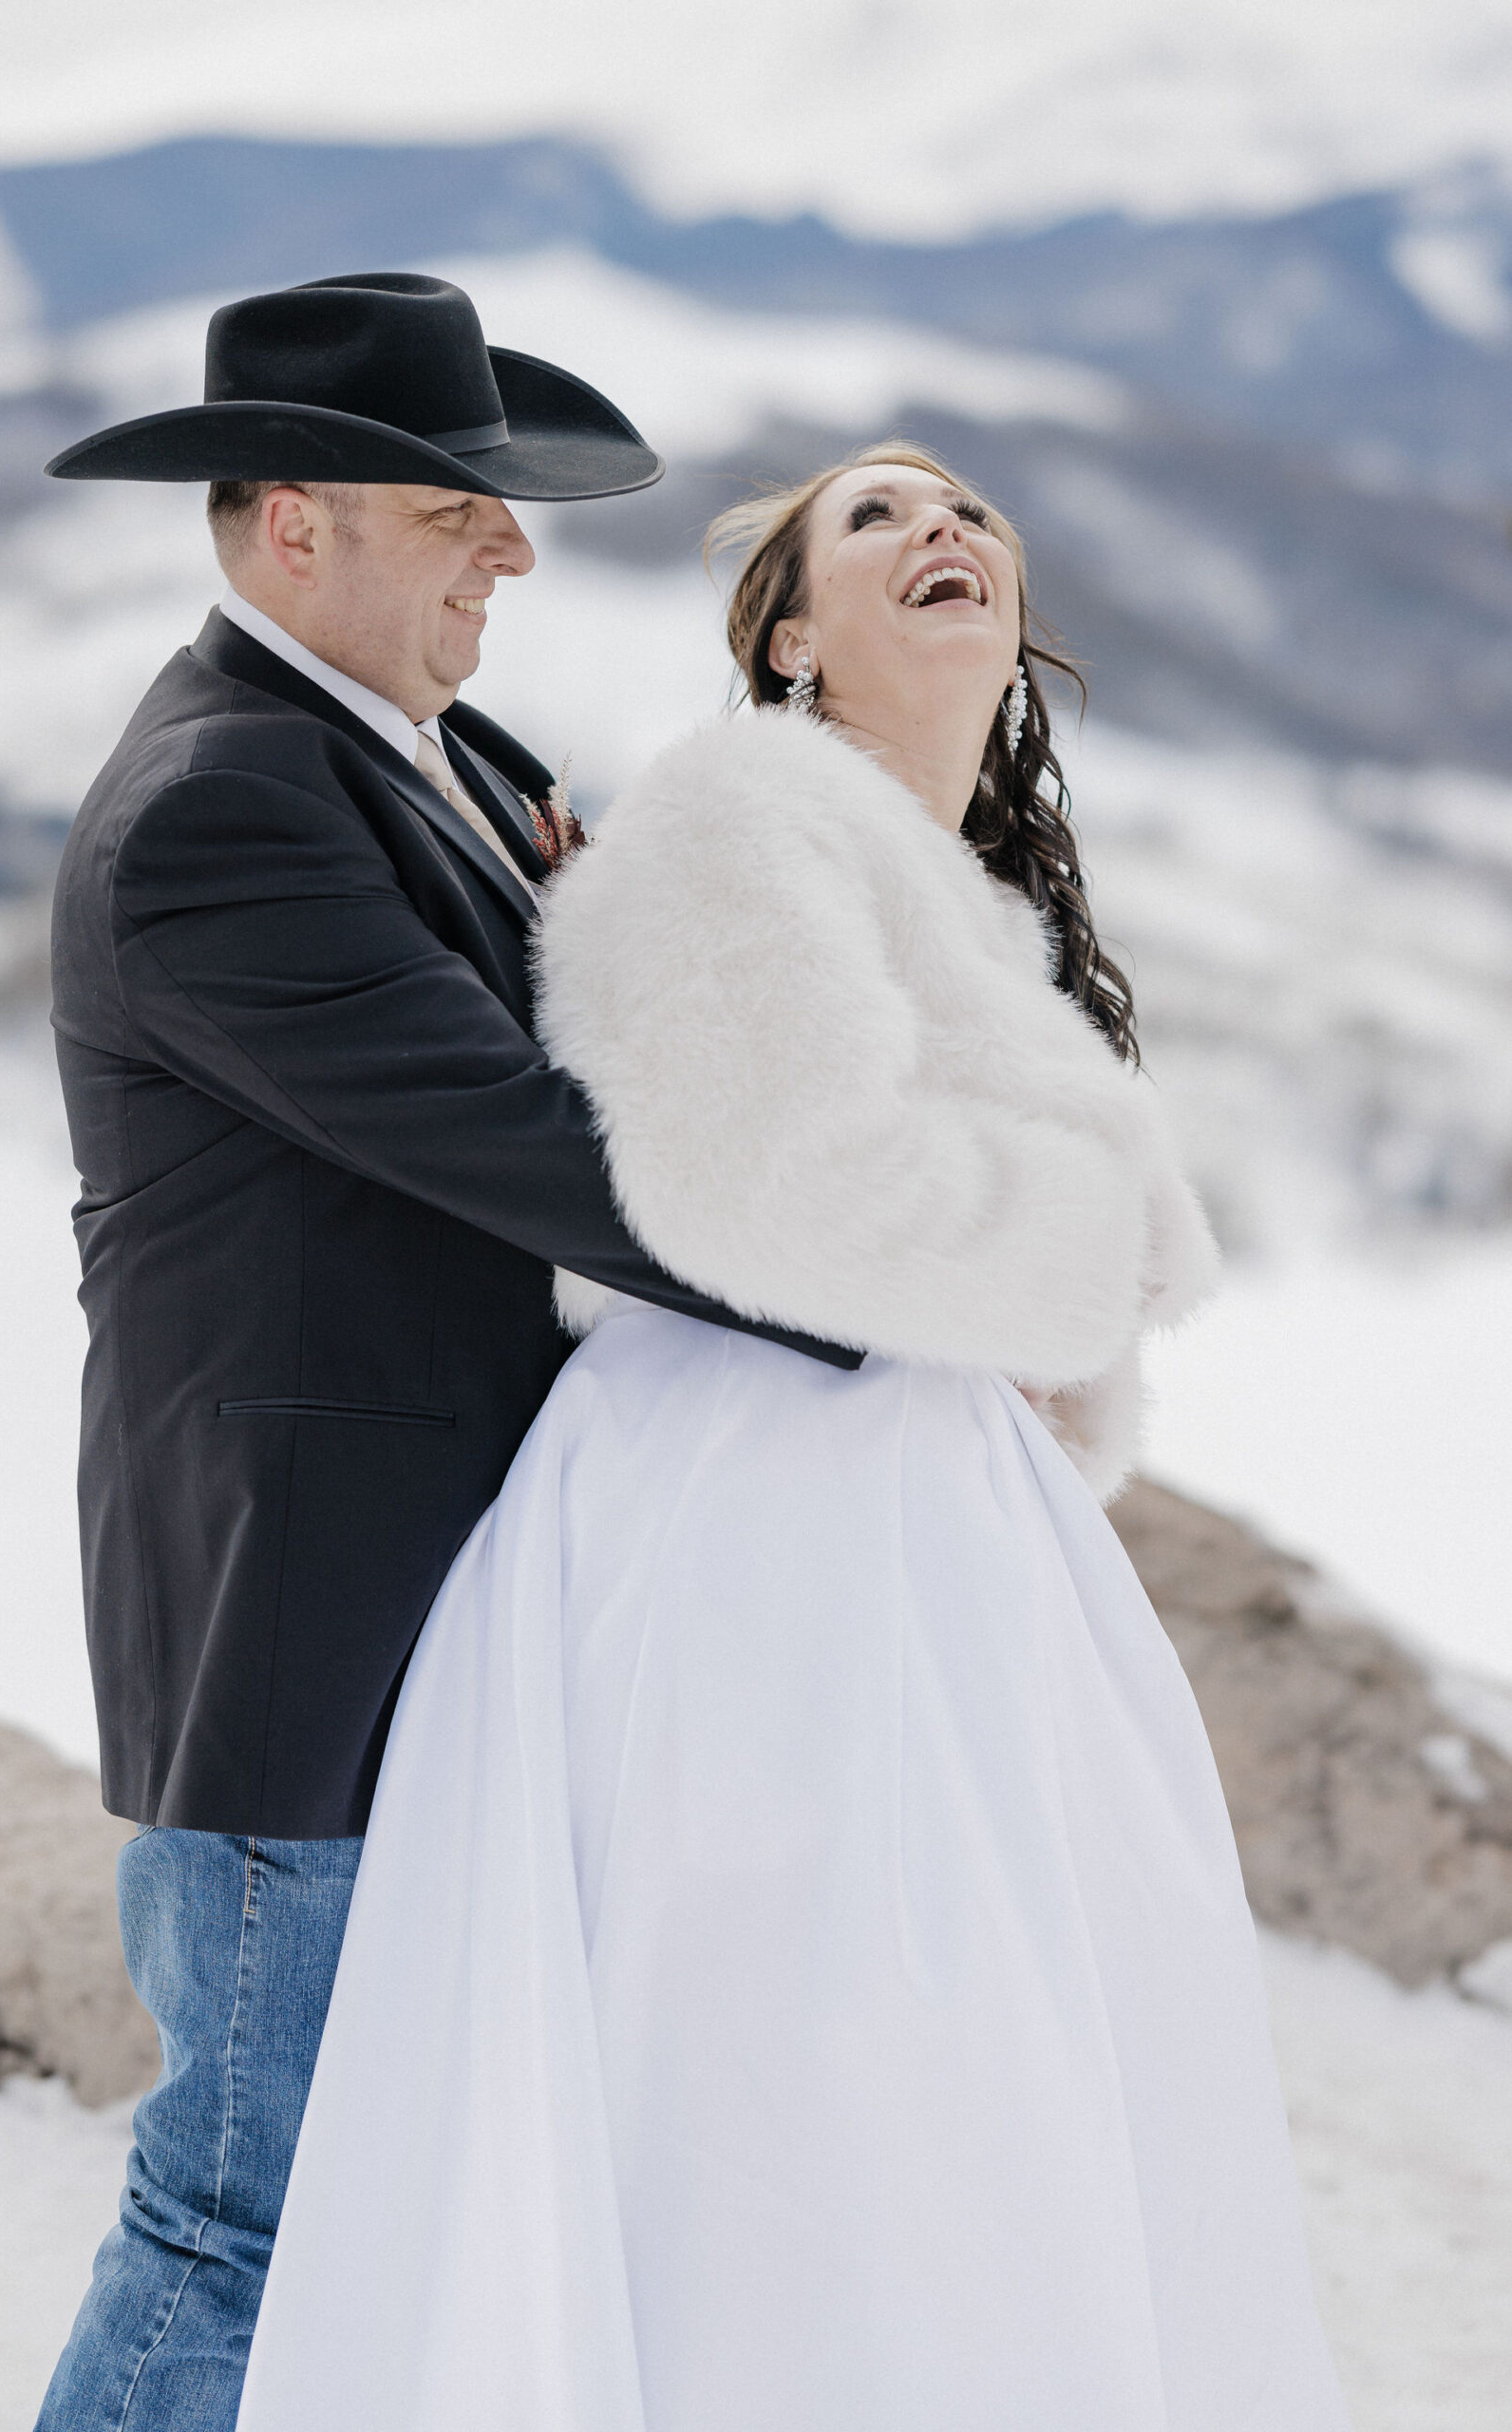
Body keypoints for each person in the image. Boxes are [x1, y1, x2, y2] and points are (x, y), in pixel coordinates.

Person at [236, 446, 1351, 2430]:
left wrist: (1043, 1301)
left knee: (993, 2088)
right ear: (787, 638)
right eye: (872, 516)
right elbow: (774, 1192)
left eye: (970, 513)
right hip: (756, 1537)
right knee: (824, 2105)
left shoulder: (939, 878)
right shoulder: (743, 810)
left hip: (906, 1520)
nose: (943, 531)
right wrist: (1092, 1250)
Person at [32, 271, 854, 2432]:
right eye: (451, 504)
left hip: (470, 1637)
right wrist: (916, 1290)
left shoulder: (450, 761)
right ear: (290, 520)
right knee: (245, 2218)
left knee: (414, 2208)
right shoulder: (220, 813)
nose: (508, 544)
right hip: (312, 1656)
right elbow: (552, 1154)